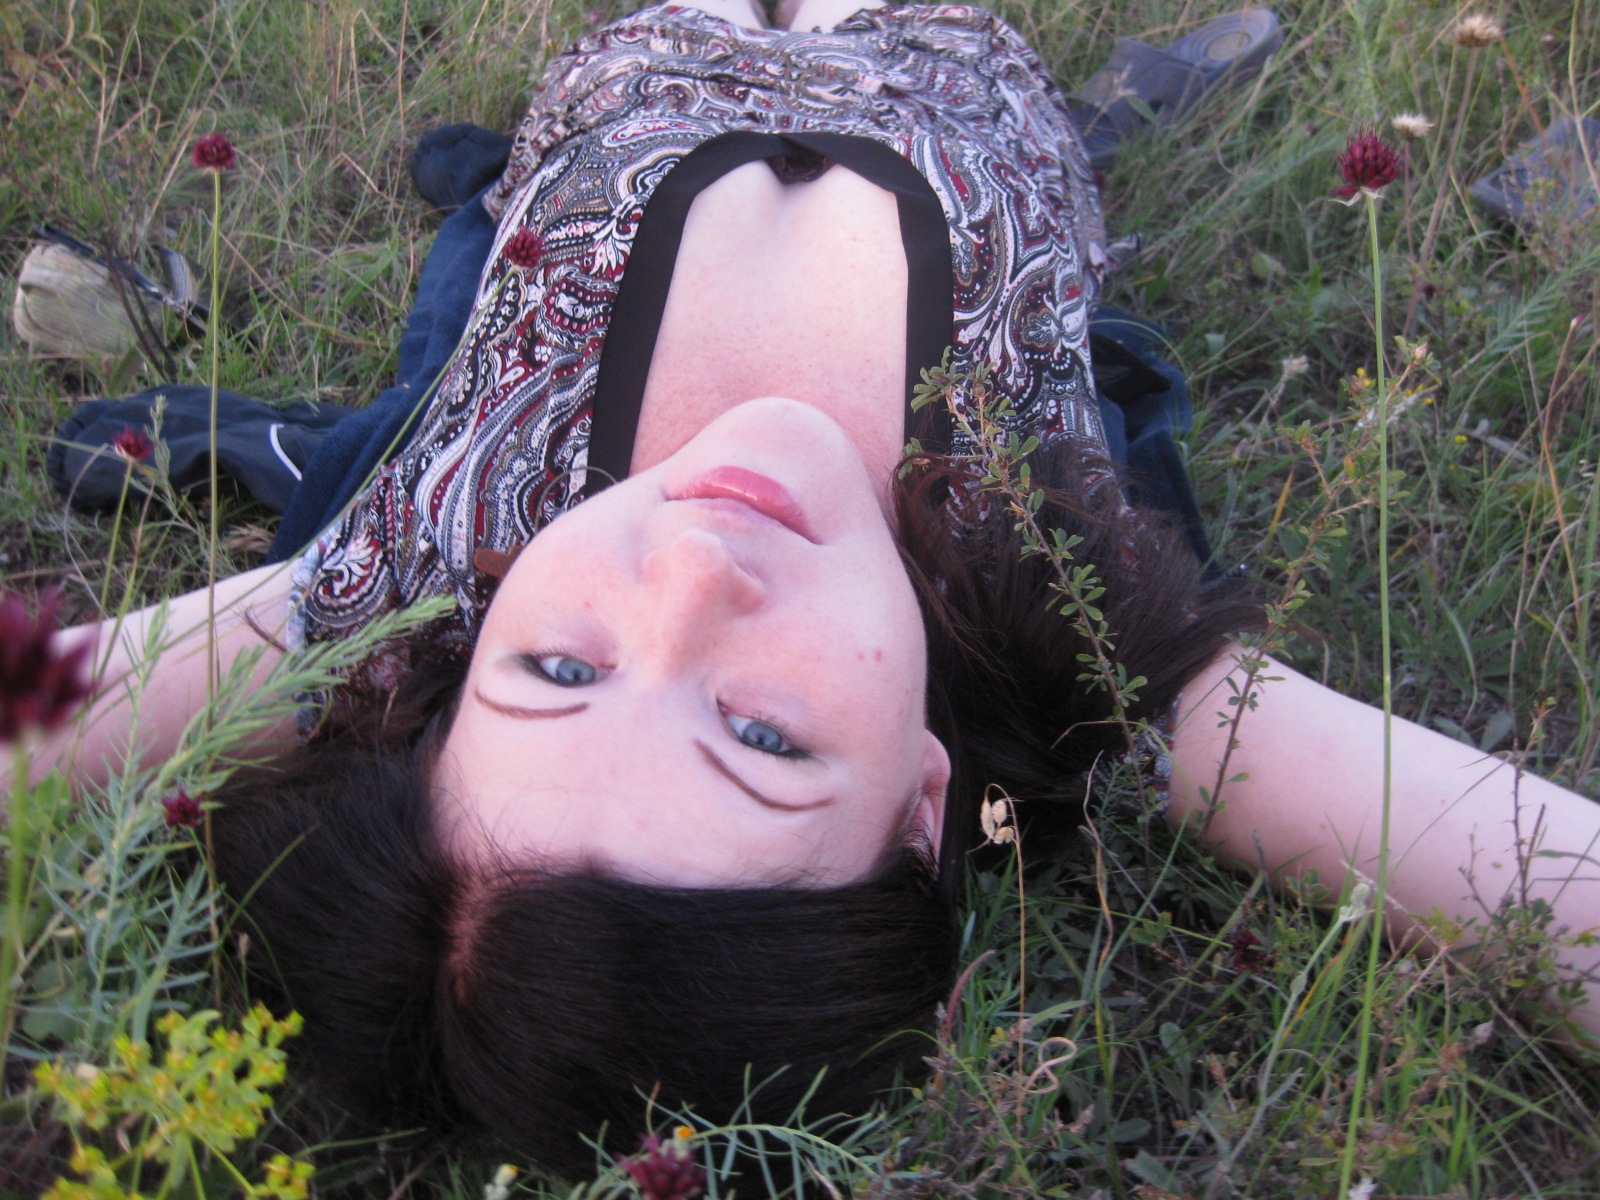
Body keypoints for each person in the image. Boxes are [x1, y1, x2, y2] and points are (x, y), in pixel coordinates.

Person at [14, 0, 1600, 1178]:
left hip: (656, 44)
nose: (691, 574)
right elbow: (1554, 892)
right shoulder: (1095, 660)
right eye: (763, 738)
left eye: (557, 674)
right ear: (922, 810)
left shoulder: (414, 571)